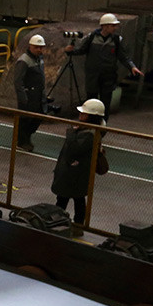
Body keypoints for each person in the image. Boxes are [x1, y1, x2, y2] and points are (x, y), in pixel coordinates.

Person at [64, 13, 143, 118]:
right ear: (105, 26)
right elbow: (82, 50)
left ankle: (102, 125)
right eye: (112, 26)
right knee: (91, 101)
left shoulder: (116, 40)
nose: (115, 28)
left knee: (105, 103)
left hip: (108, 77)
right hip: (93, 76)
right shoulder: (92, 37)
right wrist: (69, 52)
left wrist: (132, 66)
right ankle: (90, 123)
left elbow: (123, 56)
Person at [51, 98, 106, 235]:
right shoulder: (87, 131)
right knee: (73, 200)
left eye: (83, 114)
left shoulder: (90, 134)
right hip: (73, 173)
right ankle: (73, 225)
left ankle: (71, 225)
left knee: (69, 200)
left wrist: (71, 132)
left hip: (75, 174)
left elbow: (74, 149)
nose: (80, 117)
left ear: (92, 117)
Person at [14, 33, 47, 151]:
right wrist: (23, 98)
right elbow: (18, 81)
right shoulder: (24, 61)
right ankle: (22, 141)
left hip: (37, 95)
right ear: (30, 46)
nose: (39, 49)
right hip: (28, 95)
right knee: (25, 119)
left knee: (38, 117)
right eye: (36, 47)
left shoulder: (39, 59)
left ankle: (26, 138)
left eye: (41, 47)